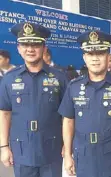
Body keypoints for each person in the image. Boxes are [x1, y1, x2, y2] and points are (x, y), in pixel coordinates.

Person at [58, 30, 111, 177]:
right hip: (83, 156)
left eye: (100, 53)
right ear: (84, 57)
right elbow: (68, 121)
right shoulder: (74, 86)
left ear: (108, 57)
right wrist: (68, 155)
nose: (95, 59)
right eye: (90, 54)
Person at [0, 22, 68, 177]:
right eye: (24, 44)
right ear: (18, 48)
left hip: (52, 149)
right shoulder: (9, 79)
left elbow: (68, 116)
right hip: (22, 149)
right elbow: (4, 114)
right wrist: (4, 147)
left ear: (44, 48)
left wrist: (68, 145)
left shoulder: (60, 78)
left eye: (35, 44)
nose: (30, 49)